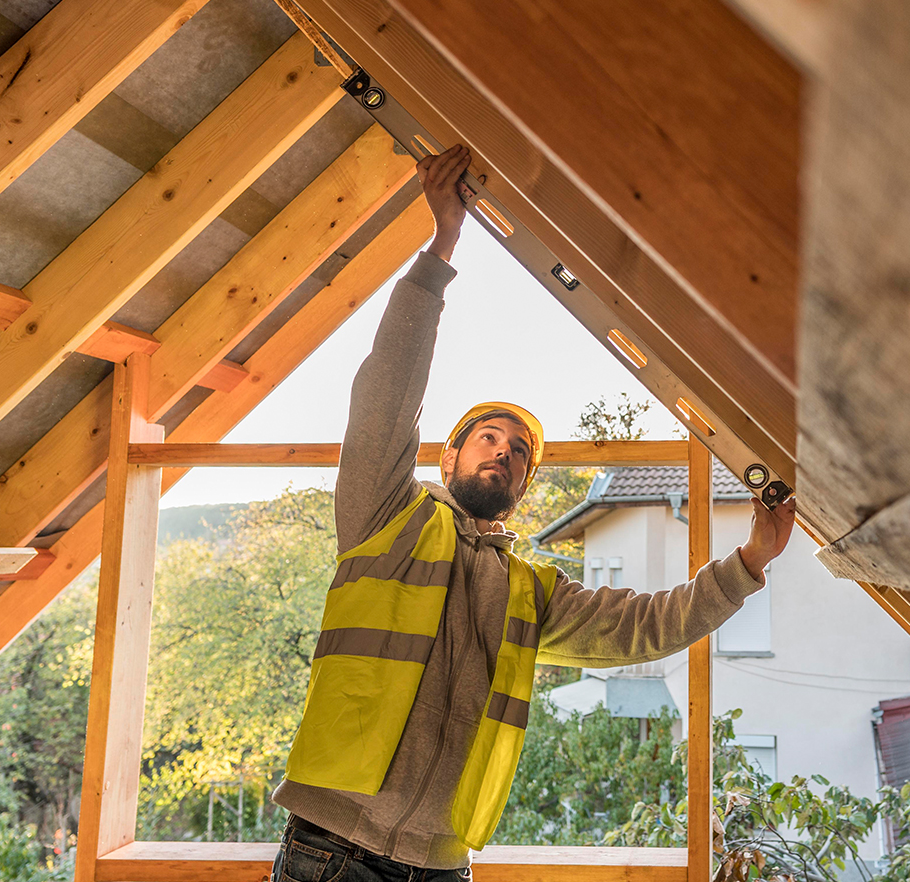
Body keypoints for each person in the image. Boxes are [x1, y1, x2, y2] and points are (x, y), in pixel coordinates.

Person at [269, 144, 797, 882]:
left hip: (442, 866)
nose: (504, 452)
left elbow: (645, 625)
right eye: (487, 437)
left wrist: (748, 565)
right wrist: (440, 249)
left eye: (519, 451)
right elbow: (384, 397)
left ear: (523, 484)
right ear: (446, 457)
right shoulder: (385, 514)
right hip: (331, 848)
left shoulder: (528, 592)